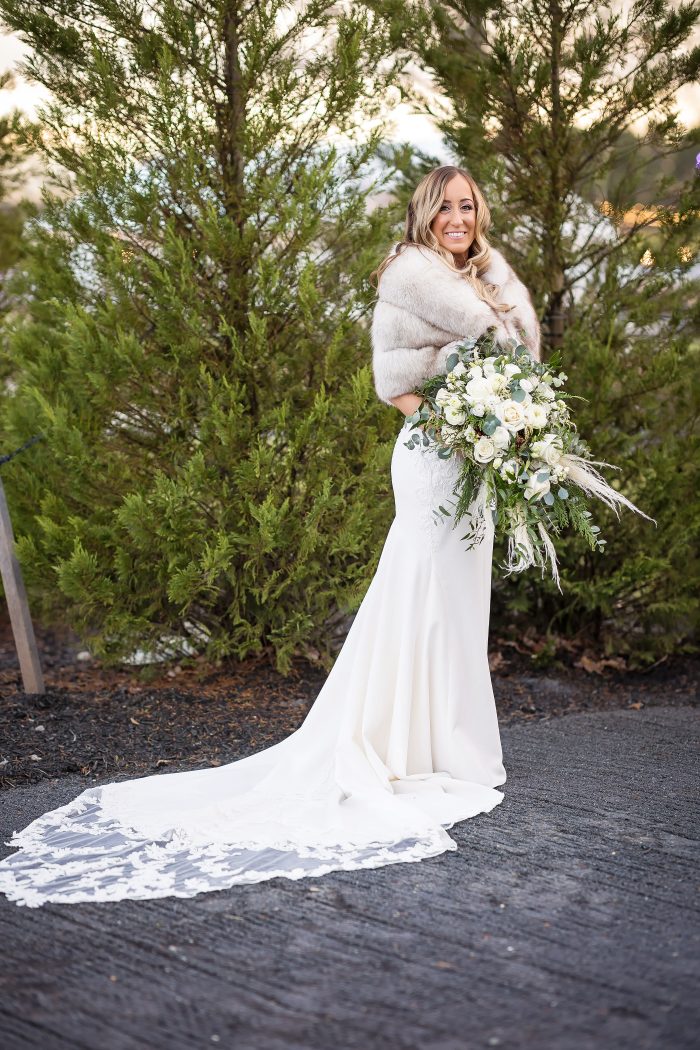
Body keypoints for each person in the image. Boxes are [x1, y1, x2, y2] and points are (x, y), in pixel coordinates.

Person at [0, 165, 541, 907]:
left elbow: (519, 361)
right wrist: (455, 425)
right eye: (444, 206)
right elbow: (396, 387)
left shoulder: (488, 276)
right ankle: (399, 742)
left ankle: (449, 744)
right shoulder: (410, 278)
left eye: (468, 205)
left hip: (476, 461)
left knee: (460, 598)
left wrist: (504, 423)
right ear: (424, 214)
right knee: (419, 592)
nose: (457, 216)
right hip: (433, 459)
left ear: (479, 213)